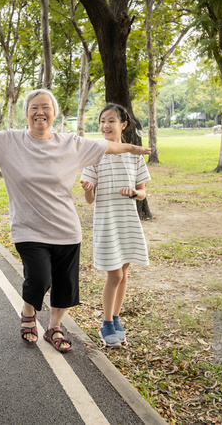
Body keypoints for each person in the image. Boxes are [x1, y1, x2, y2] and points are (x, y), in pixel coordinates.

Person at [0, 89, 151, 353]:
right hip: (27, 228)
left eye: (46, 107)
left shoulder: (72, 143)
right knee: (39, 279)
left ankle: (55, 327)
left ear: (54, 113)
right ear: (26, 112)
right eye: (34, 107)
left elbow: (110, 146)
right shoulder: (9, 141)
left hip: (66, 229)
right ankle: (28, 310)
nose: (40, 112)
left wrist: (134, 149)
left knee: (65, 286)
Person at [80, 104, 151, 348]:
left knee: (125, 273)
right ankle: (106, 324)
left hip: (127, 220)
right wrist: (89, 190)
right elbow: (90, 199)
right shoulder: (94, 155)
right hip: (107, 220)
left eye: (111, 121)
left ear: (123, 125)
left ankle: (116, 319)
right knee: (115, 273)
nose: (105, 126)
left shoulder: (135, 155)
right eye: (102, 121)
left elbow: (142, 193)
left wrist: (134, 193)